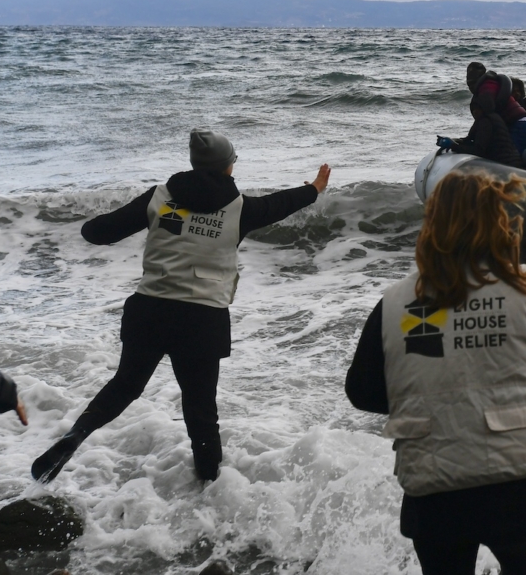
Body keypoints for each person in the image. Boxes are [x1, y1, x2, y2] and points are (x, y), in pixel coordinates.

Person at [344, 170, 526, 575]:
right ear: (501, 222)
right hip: (522, 482)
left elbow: (364, 391)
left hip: (437, 485)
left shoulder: (403, 304)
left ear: (432, 224)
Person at [32, 130, 330, 483]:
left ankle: (73, 437)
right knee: (201, 409)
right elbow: (279, 204)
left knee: (125, 386)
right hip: (202, 320)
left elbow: (98, 233)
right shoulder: (241, 209)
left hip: (149, 311)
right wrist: (314, 188)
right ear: (228, 167)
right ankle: (209, 485)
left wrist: (96, 224)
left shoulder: (158, 198)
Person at [466, 64, 526, 153]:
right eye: (469, 84)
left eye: (472, 83)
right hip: (523, 123)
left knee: (513, 156)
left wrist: (471, 138)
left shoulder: (486, 86)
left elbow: (488, 110)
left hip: (519, 126)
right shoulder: (491, 83)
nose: (471, 87)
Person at [447, 101, 523, 167]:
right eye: (473, 109)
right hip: (513, 160)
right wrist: (460, 142)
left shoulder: (485, 122)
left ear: (483, 109)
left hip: (505, 164)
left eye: (477, 109)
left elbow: (479, 151)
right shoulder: (494, 118)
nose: (474, 112)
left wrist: (455, 147)